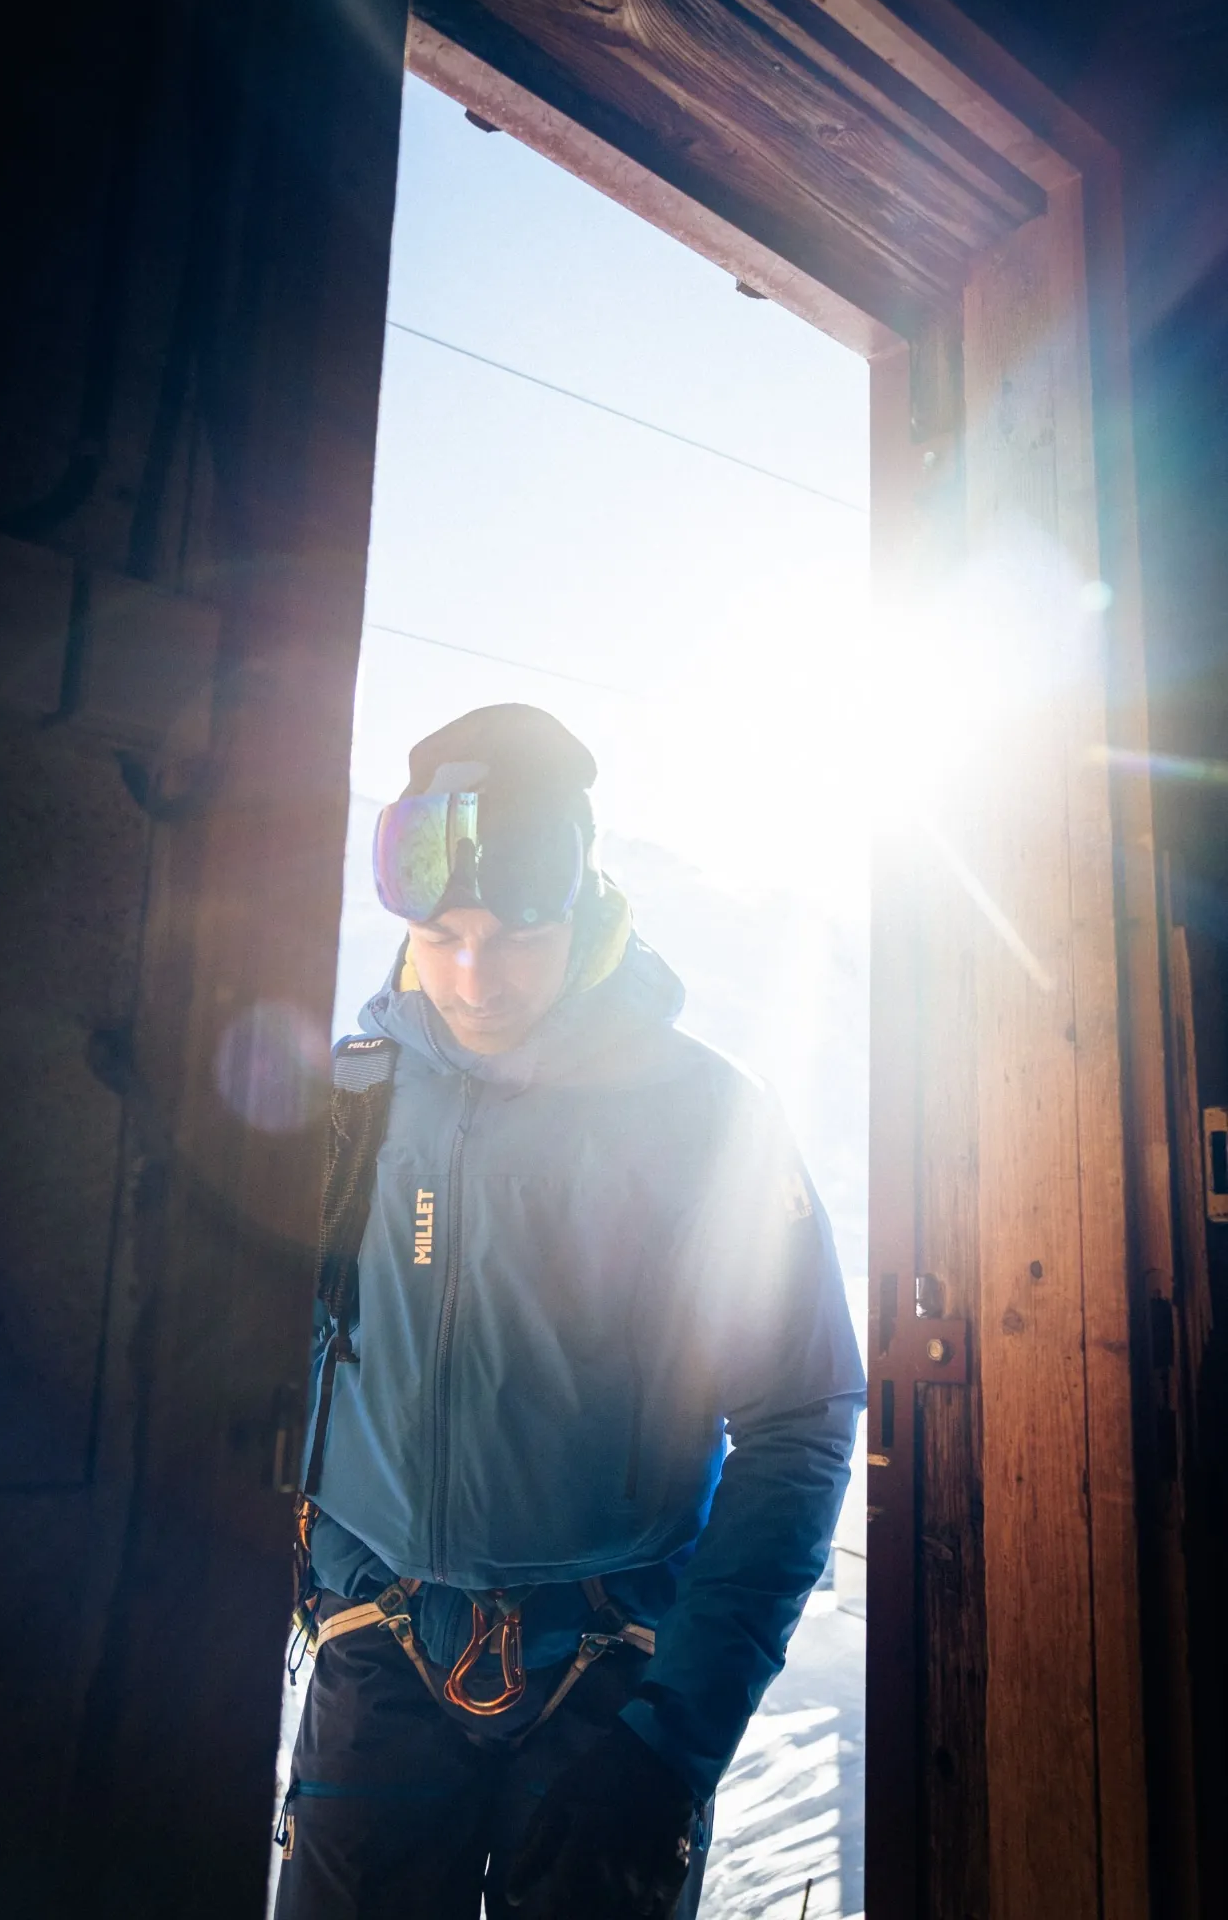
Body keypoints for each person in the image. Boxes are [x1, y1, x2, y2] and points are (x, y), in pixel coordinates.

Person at [275, 704, 864, 1920]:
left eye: (515, 935)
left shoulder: (702, 1116)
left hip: (609, 1683)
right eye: (441, 935)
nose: (474, 976)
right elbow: (272, 1359)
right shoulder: (351, 1101)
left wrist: (670, 1743)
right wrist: (332, 1589)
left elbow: (799, 1421)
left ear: (584, 903)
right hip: (380, 1655)